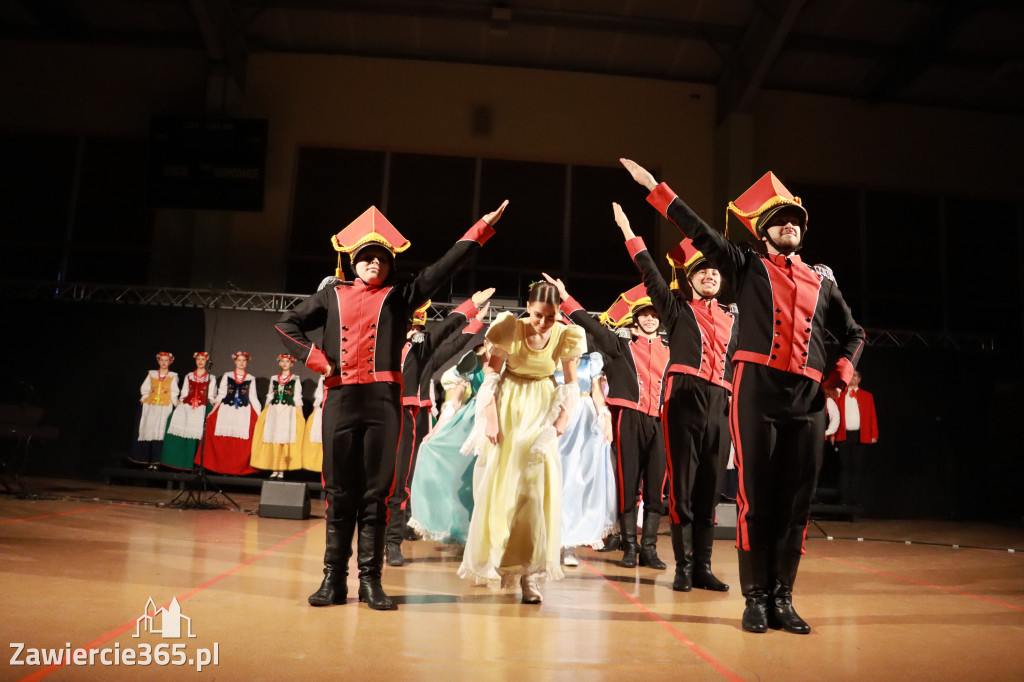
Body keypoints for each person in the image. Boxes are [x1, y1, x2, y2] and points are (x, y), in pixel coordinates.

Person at [622, 158, 864, 634]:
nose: (790, 225)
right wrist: (656, 189)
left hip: (808, 397)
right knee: (757, 498)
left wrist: (844, 366)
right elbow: (700, 229)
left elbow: (855, 332)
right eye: (780, 221)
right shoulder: (746, 265)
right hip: (757, 391)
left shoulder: (822, 282)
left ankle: (783, 597)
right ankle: (755, 598)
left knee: (797, 502)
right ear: (764, 233)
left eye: (796, 220)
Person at [275, 202, 506, 610]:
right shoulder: (331, 295)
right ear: (353, 261)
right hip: (341, 399)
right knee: (338, 492)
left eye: (381, 258)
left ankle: (370, 581)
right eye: (366, 257)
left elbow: (441, 269)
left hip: (383, 403)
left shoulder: (399, 298)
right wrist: (317, 359)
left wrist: (481, 228)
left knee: (376, 493)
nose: (373, 263)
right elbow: (285, 325)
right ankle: (333, 580)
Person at [611, 202, 739, 593]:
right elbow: (650, 274)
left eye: (715, 271)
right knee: (681, 487)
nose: (711, 276)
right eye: (702, 272)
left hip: (721, 402)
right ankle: (683, 567)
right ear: (690, 279)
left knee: (709, 488)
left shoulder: (736, 317)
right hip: (684, 399)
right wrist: (630, 234)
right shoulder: (677, 310)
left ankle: (703, 566)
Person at [458, 281, 586, 604]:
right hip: (510, 408)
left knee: (535, 492)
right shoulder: (509, 328)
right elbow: (490, 376)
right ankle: (500, 562)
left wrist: (555, 428)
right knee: (504, 490)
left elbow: (572, 387)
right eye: (538, 315)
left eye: (551, 317)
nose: (543, 323)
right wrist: (490, 418)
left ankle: (530, 574)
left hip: (542, 410)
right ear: (528, 307)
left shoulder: (564, 336)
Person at [545, 277, 671, 570]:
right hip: (629, 417)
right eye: (644, 315)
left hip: (660, 419)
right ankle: (629, 546)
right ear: (635, 319)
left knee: (656, 485)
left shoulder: (669, 347)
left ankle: (649, 549)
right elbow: (590, 324)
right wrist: (565, 296)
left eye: (654, 315)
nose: (650, 319)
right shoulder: (619, 345)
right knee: (629, 482)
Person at [386, 292, 492, 567]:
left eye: (421, 328)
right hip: (379, 414)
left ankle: (392, 541)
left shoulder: (424, 356)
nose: (416, 333)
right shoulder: (383, 350)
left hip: (408, 416)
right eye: (412, 328)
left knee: (401, 479)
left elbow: (454, 343)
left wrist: (474, 321)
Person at [408, 345, 488, 546]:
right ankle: (468, 532)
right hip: (473, 418)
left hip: (499, 416)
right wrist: (436, 431)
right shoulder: (472, 364)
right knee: (465, 476)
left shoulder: (509, 363)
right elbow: (454, 402)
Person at [555, 352, 617, 566]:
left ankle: (568, 545)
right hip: (556, 415)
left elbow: (597, 394)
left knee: (577, 481)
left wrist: (605, 418)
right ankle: (551, 541)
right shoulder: (547, 358)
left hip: (584, 420)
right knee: (555, 480)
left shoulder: (591, 361)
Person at [199, 351, 260, 476]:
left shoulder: (251, 378)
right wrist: (213, 411)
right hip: (227, 408)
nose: (241, 363)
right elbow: (221, 394)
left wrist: (259, 415)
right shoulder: (227, 375)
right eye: (239, 360)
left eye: (244, 360)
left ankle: (237, 468)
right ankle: (222, 468)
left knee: (240, 441)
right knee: (224, 439)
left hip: (243, 409)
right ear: (235, 361)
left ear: (247, 362)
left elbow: (253, 397)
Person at [250, 354, 305, 479]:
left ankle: (282, 470)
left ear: (291, 364)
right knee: (274, 440)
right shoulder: (274, 378)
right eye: (282, 361)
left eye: (287, 361)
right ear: (279, 363)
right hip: (274, 411)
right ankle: (275, 468)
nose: (285, 363)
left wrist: (301, 416)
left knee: (283, 441)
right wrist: (265, 410)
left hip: (287, 412)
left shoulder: (295, 379)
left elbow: (297, 397)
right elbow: (270, 395)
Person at [162, 352, 215, 470]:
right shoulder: (189, 375)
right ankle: (177, 460)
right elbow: (184, 392)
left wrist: (209, 406)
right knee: (174, 419)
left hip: (202, 405)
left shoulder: (211, 377)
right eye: (198, 359)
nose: (200, 361)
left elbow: (211, 395)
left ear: (206, 361)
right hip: (187, 404)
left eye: (203, 359)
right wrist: (180, 403)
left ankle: (195, 462)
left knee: (200, 427)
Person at [833, 371, 878, 506]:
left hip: (860, 435)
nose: (853, 378)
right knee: (845, 467)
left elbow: (872, 416)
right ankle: (844, 499)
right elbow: (833, 416)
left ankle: (855, 498)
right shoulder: (839, 395)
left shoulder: (867, 396)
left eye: (856, 376)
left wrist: (874, 434)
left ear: (859, 379)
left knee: (858, 467)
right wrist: (831, 435)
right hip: (844, 435)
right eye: (851, 375)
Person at [131, 352, 179, 469]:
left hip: (164, 406)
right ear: (158, 361)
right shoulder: (152, 374)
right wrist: (144, 399)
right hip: (151, 406)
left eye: (166, 360)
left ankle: (157, 461)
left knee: (160, 431)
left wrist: (175, 404)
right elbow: (145, 388)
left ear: (170, 361)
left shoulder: (173, 375)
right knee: (148, 429)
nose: (163, 362)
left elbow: (174, 391)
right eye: (161, 360)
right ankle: (144, 459)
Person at [300, 375, 325, 473]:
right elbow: (319, 396)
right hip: (322, 409)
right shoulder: (323, 378)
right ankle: (315, 466)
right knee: (315, 435)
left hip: (337, 409)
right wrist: (314, 415)